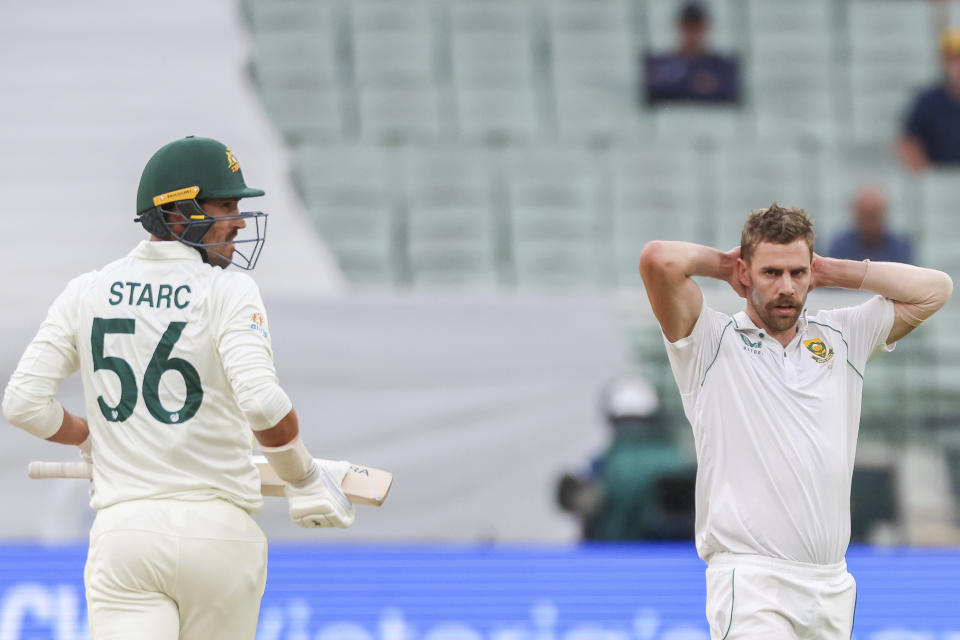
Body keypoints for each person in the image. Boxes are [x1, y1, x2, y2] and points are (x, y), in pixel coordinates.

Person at [2, 135, 356, 640]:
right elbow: (261, 403)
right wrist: (302, 480)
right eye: (226, 204)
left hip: (126, 535)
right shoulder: (227, 290)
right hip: (219, 536)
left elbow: (22, 404)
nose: (238, 219)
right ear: (176, 216)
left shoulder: (86, 291)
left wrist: (89, 439)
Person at [638, 204, 952, 637]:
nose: (786, 287)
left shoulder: (842, 337)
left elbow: (936, 289)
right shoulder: (710, 342)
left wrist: (833, 271)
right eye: (771, 273)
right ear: (746, 273)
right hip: (752, 581)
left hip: (830, 584)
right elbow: (659, 260)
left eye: (797, 273)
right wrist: (725, 265)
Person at [556, 374, 694, 541]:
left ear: (611, 419)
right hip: (686, 562)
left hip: (615, 561)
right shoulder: (683, 462)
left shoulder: (600, 469)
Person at [642, 2, 741, 106]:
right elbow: (654, 95)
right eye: (688, 25)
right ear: (679, 26)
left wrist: (683, 84)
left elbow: (730, 94)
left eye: (697, 25)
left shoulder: (723, 65)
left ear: (705, 27)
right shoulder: (659, 63)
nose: (692, 31)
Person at [898, 28, 960, 170]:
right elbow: (907, 142)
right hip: (937, 182)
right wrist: (926, 175)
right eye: (953, 59)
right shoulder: (928, 100)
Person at [827, 185, 913, 264]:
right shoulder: (840, 246)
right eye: (865, 216)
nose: (869, 223)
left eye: (874, 216)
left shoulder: (900, 247)